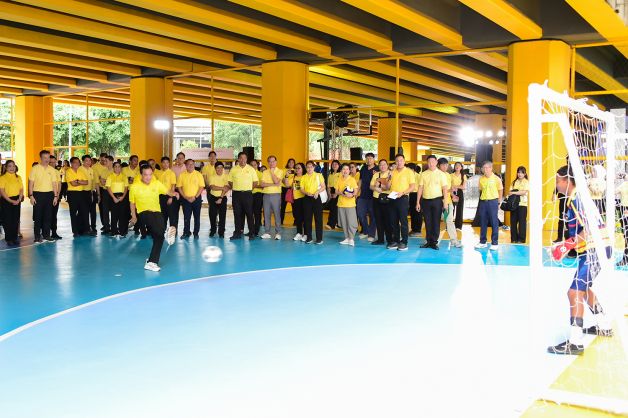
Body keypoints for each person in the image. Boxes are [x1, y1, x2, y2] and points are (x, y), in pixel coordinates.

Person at [548, 165, 613, 355]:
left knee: (574, 292)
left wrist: (565, 246)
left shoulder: (576, 199)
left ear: (566, 180)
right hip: (596, 248)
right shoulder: (576, 198)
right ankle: (604, 324)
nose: (556, 184)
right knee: (584, 289)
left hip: (595, 249)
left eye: (557, 180)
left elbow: (589, 229)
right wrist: (566, 244)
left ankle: (575, 342)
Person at [129, 164, 179, 272]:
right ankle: (166, 232)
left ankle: (152, 262)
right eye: (146, 175)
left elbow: (167, 191)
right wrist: (133, 216)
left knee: (159, 237)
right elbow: (132, 203)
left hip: (157, 211)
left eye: (150, 174)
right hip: (144, 212)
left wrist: (174, 193)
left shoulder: (156, 183)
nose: (148, 177)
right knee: (158, 230)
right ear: (141, 175)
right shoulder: (134, 187)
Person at [415, 156, 450, 250]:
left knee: (436, 221)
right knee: (427, 221)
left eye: (432, 162)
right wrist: (418, 202)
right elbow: (420, 188)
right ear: (427, 163)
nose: (431, 164)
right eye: (429, 162)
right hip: (425, 201)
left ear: (436, 162)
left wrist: (445, 202)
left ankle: (434, 242)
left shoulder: (441, 174)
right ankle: (428, 241)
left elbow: (445, 189)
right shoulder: (423, 174)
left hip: (437, 201)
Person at [28, 150, 60, 243]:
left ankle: (46, 235)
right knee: (38, 217)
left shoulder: (52, 170)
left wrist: (55, 196)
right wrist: (31, 196)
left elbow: (54, 184)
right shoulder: (35, 168)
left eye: (48, 157)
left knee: (48, 216)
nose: (47, 159)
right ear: (41, 158)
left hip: (49, 194)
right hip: (38, 194)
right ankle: (37, 237)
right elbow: (31, 183)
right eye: (44, 158)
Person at [388, 154, 416, 251]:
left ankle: (404, 242)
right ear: (395, 162)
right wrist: (388, 178)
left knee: (403, 221)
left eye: (401, 160)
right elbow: (388, 186)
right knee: (393, 221)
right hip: (392, 197)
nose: (399, 162)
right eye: (397, 161)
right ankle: (396, 240)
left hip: (403, 197)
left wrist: (403, 193)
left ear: (404, 161)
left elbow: (412, 187)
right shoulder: (392, 172)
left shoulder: (409, 172)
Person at [228, 152, 258, 240]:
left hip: (247, 194)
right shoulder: (233, 169)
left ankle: (251, 233)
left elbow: (255, 182)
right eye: (241, 158)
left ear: (246, 159)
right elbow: (230, 181)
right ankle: (237, 233)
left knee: (249, 214)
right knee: (237, 214)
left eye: (244, 158)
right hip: (236, 195)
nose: (243, 160)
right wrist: (237, 188)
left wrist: (248, 189)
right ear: (238, 159)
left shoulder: (251, 169)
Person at [475, 161, 503, 250]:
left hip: (493, 202)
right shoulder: (481, 179)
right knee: (483, 222)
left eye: (487, 167)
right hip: (483, 202)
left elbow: (500, 190)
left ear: (491, 168)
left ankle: (495, 243)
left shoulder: (496, 179)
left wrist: (499, 202)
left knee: (494, 222)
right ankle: (482, 242)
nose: (485, 169)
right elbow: (481, 190)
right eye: (484, 168)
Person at [437, 158, 462, 248]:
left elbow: (448, 189)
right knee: (436, 221)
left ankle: (454, 240)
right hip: (438, 201)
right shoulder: (436, 174)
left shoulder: (448, 175)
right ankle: (433, 240)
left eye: (446, 165)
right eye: (443, 165)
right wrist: (448, 190)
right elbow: (438, 190)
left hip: (448, 202)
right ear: (438, 165)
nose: (445, 167)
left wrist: (453, 195)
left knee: (449, 220)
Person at [176, 159, 205, 239]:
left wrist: (195, 197)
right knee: (186, 217)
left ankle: (196, 233)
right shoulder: (182, 175)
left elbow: (201, 187)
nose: (191, 165)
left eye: (192, 164)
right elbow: (179, 187)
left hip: (196, 199)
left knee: (197, 217)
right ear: (185, 165)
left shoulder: (198, 174)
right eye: (189, 164)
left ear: (194, 165)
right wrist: (185, 197)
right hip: (186, 200)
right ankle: (186, 232)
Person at [65, 156, 92, 237]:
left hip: (81, 193)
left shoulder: (80, 171)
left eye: (78, 162)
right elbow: (73, 184)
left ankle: (86, 230)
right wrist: (80, 181)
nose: (77, 164)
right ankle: (75, 231)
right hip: (72, 194)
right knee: (73, 213)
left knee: (84, 212)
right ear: (71, 163)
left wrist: (77, 181)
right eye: (75, 162)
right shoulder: (68, 171)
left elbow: (86, 182)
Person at [301, 160, 326, 244]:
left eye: (311, 167)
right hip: (307, 198)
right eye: (307, 167)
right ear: (306, 168)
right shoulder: (303, 177)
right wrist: (306, 193)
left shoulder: (319, 175)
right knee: (307, 218)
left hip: (316, 198)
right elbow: (301, 189)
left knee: (318, 219)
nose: (309, 169)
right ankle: (309, 237)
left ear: (314, 167)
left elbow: (323, 186)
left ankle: (319, 239)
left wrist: (317, 192)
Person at [260, 155, 284, 240]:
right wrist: (273, 184)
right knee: (266, 214)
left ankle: (278, 233)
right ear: (268, 162)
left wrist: (272, 172)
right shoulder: (265, 172)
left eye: (273, 161)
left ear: (276, 162)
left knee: (277, 214)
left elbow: (276, 181)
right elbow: (262, 184)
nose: (271, 163)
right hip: (266, 195)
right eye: (270, 161)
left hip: (276, 195)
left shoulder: (280, 171)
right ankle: (267, 232)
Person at [0, 160, 23, 246]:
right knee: (7, 220)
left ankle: (14, 237)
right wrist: (11, 201)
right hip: (6, 200)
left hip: (17, 200)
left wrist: (19, 199)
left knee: (15, 219)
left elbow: (21, 189)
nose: (12, 168)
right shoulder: (2, 178)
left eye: (13, 166)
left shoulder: (18, 177)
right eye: (9, 166)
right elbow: (2, 191)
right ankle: (9, 238)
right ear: (6, 167)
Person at [370, 159, 392, 246]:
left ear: (387, 165)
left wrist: (379, 185)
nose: (382, 166)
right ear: (378, 166)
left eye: (384, 164)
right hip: (376, 199)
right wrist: (376, 188)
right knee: (378, 220)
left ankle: (390, 240)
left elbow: (388, 187)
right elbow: (371, 186)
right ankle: (380, 239)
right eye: (380, 165)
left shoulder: (390, 174)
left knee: (387, 220)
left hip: (387, 200)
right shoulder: (376, 174)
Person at [336, 163, 359, 246]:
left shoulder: (352, 179)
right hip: (341, 204)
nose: (345, 171)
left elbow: (356, 190)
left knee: (351, 222)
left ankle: (351, 238)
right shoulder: (339, 179)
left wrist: (352, 195)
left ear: (349, 171)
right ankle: (346, 238)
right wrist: (342, 193)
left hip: (350, 204)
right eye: (343, 169)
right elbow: (336, 191)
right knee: (344, 222)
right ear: (341, 171)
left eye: (347, 169)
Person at [105, 161, 129, 238]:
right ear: (113, 168)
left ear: (121, 168)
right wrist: (114, 198)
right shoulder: (110, 176)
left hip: (123, 197)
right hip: (113, 197)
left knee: (122, 214)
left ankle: (122, 231)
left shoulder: (124, 176)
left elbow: (126, 188)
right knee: (114, 214)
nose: (117, 168)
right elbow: (108, 188)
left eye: (119, 166)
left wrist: (123, 197)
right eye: (115, 166)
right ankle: (114, 232)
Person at [357, 152, 377, 242]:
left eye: (370, 158)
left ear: (374, 159)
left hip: (373, 196)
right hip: (363, 195)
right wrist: (357, 191)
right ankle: (365, 231)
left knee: (373, 215)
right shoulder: (363, 168)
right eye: (367, 158)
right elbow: (360, 180)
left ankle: (371, 234)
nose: (369, 160)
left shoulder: (377, 169)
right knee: (360, 214)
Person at [207, 161, 229, 238]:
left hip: (222, 198)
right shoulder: (212, 177)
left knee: (222, 215)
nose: (219, 169)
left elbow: (227, 188)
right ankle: (213, 230)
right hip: (213, 197)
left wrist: (220, 198)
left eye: (221, 168)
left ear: (223, 168)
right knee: (212, 215)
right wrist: (222, 188)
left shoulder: (226, 176)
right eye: (218, 168)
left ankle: (221, 232)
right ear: (215, 169)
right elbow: (212, 187)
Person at [157, 157, 179, 231]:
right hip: (160, 196)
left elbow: (173, 186)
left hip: (169, 196)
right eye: (164, 162)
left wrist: (171, 197)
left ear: (169, 163)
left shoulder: (171, 173)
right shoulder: (158, 173)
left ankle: (173, 232)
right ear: (161, 163)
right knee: (162, 215)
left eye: (167, 162)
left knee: (172, 216)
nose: (165, 164)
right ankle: (162, 231)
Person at [286, 162, 306, 241]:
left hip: (304, 199)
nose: (297, 169)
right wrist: (286, 176)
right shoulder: (293, 177)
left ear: (302, 169)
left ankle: (306, 234)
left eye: (299, 168)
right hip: (296, 199)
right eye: (296, 168)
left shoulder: (305, 177)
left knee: (305, 217)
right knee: (297, 217)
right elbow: (287, 185)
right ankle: (299, 233)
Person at [509, 166, 529, 243]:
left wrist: (514, 192)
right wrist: (516, 192)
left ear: (525, 174)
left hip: (522, 205)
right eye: (518, 172)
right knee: (513, 222)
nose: (520, 174)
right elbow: (510, 192)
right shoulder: (514, 182)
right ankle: (513, 239)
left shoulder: (526, 182)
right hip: (514, 205)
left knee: (522, 222)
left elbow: (524, 192)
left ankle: (521, 239)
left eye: (522, 172)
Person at [94, 153, 112, 234]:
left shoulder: (115, 170)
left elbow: (114, 181)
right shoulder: (96, 167)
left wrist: (106, 181)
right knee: (104, 209)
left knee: (114, 210)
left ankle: (114, 227)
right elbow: (101, 182)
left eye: (106, 161)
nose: (104, 162)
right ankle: (106, 226)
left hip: (114, 191)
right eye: (103, 160)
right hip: (103, 190)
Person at [81, 155, 99, 234]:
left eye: (89, 161)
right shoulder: (80, 169)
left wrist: (96, 193)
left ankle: (93, 227)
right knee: (85, 211)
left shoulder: (91, 170)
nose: (88, 162)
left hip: (91, 192)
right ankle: (86, 228)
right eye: (86, 161)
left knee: (93, 211)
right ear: (83, 161)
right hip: (82, 192)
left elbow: (94, 182)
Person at [48, 155, 62, 240]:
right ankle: (45, 232)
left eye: (54, 162)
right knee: (46, 215)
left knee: (54, 215)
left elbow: (59, 184)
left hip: (55, 196)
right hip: (47, 196)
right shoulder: (45, 171)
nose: (52, 164)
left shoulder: (57, 172)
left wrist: (57, 195)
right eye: (50, 162)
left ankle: (54, 232)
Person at [325, 160, 340, 230]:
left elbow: (340, 185)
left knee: (334, 209)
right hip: (332, 192)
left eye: (336, 164)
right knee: (332, 208)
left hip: (338, 192)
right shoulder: (330, 175)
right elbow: (328, 186)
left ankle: (331, 224)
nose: (334, 165)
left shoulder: (340, 174)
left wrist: (336, 194)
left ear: (339, 165)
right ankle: (337, 223)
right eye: (333, 164)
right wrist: (329, 194)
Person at [408, 163, 423, 237]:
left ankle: (418, 230)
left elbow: (421, 187)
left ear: (413, 170)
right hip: (409, 195)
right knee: (412, 213)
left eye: (408, 169)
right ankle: (413, 229)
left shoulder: (418, 176)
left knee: (417, 213)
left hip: (417, 195)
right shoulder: (407, 176)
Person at [250, 159, 264, 237]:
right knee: (249, 213)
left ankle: (256, 231)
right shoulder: (247, 174)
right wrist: (255, 185)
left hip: (258, 195)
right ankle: (251, 230)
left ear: (257, 165)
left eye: (254, 165)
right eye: (251, 165)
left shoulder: (260, 174)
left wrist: (253, 186)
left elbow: (262, 186)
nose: (253, 166)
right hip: (249, 195)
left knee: (257, 213)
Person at [281, 158, 296, 224]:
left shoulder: (296, 171)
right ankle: (280, 221)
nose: (291, 164)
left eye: (292, 162)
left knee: (294, 206)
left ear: (294, 164)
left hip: (293, 189)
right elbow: (282, 180)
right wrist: (286, 176)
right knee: (283, 206)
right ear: (287, 163)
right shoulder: (283, 170)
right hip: (285, 189)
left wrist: (293, 187)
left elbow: (297, 179)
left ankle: (296, 221)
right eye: (289, 162)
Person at [451, 162, 466, 230]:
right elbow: (449, 186)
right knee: (451, 209)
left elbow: (463, 187)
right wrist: (457, 186)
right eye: (456, 165)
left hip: (460, 192)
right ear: (454, 167)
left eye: (459, 165)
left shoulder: (463, 176)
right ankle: (449, 225)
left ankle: (458, 226)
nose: (457, 166)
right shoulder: (451, 175)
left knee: (459, 209)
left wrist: (455, 186)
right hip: (452, 192)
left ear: (461, 168)